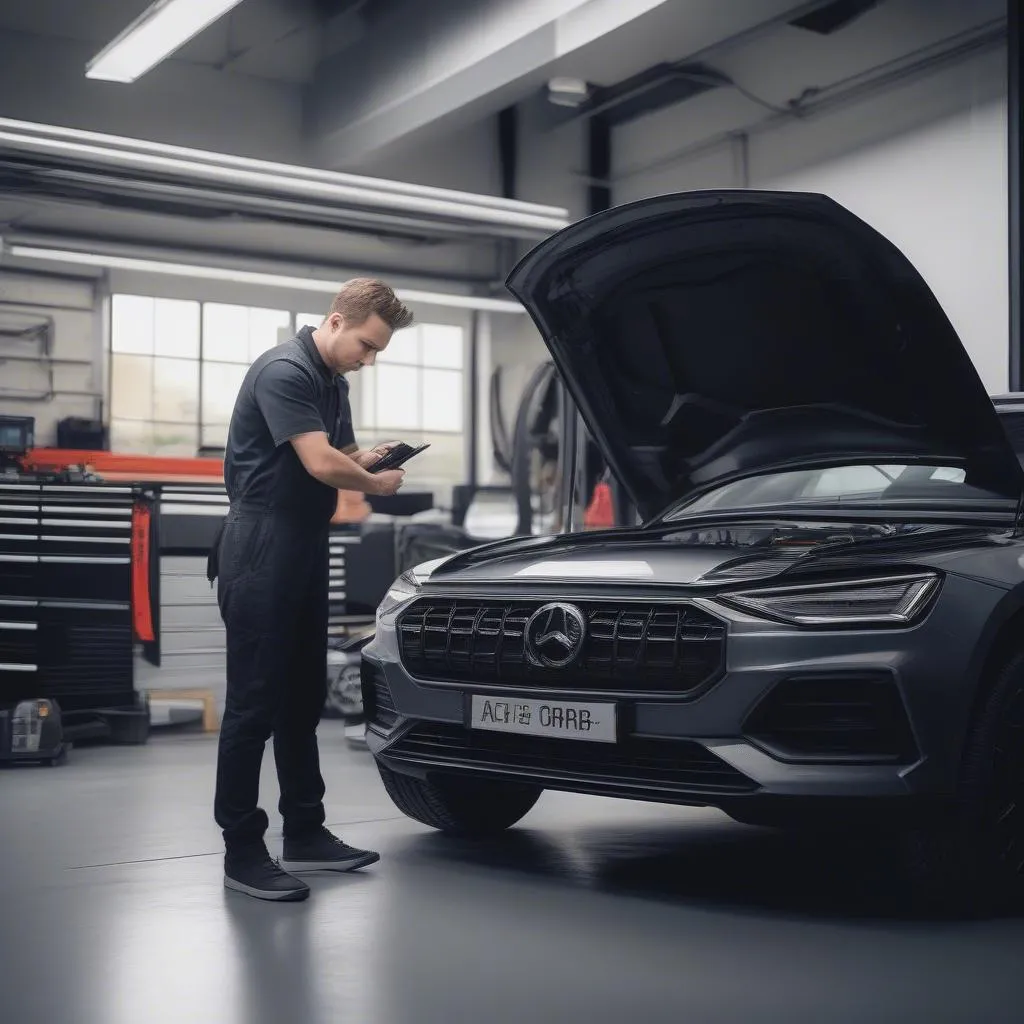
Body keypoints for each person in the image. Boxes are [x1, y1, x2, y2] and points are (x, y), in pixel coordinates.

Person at [208, 277, 413, 902]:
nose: (369, 358)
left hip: (303, 543)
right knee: (253, 704)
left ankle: (305, 831)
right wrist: (372, 485)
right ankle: (242, 850)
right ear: (334, 320)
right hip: (260, 545)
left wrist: (368, 457)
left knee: (300, 698)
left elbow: (339, 449)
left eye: (378, 350)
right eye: (366, 344)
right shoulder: (284, 371)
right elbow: (323, 465)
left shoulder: (332, 381)